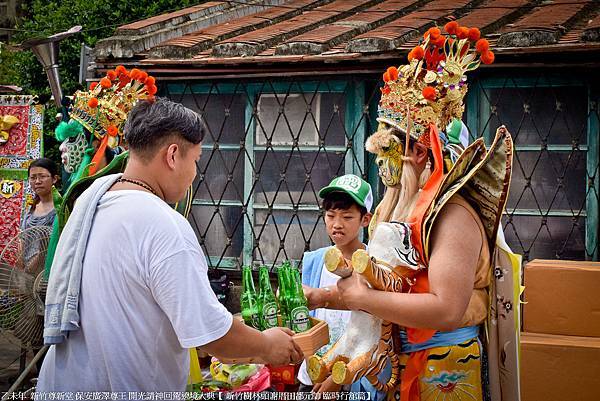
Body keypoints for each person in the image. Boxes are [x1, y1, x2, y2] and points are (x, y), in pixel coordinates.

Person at [304, 24, 518, 401]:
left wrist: (360, 299)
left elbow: (447, 309)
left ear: (420, 153)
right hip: (402, 363)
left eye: (388, 153)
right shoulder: (402, 207)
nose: (382, 168)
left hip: (445, 367)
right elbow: (385, 286)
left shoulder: (451, 215)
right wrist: (326, 298)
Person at [37, 98, 303, 394]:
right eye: (196, 160)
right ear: (173, 155)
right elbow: (211, 335)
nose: (195, 174)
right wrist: (268, 345)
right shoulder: (164, 225)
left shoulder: (92, 202)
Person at [298, 174, 374, 394]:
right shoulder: (314, 262)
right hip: (313, 375)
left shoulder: (373, 265)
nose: (337, 224)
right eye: (330, 216)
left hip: (355, 380)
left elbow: (373, 330)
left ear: (365, 219)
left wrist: (337, 379)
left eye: (347, 217)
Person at [22, 158, 59, 231]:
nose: (37, 181)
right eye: (33, 178)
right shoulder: (30, 209)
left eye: (42, 176)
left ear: (54, 179)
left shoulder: (61, 208)